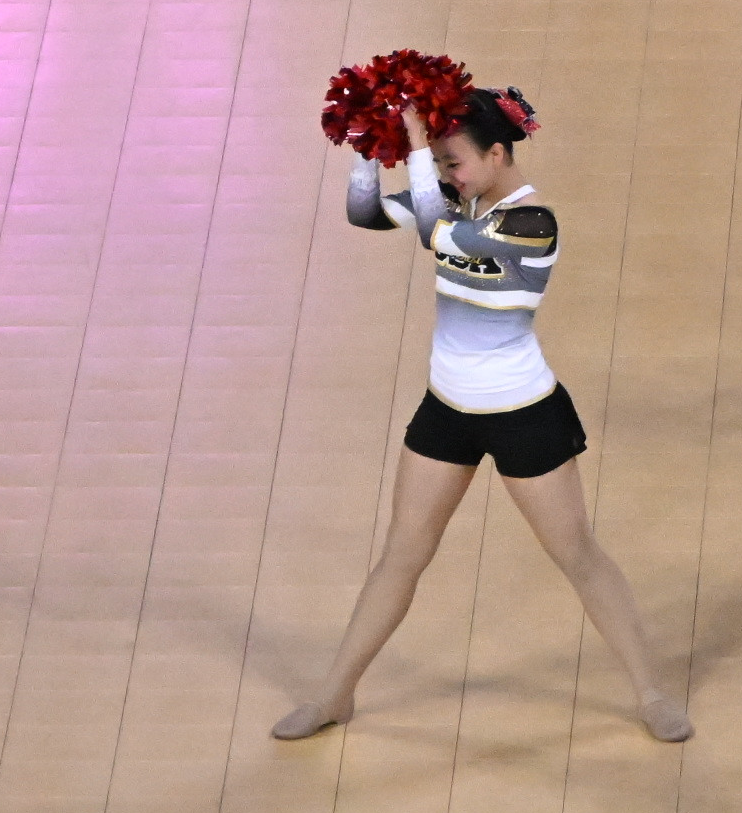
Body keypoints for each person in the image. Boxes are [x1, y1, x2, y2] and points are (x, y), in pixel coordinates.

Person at [274, 88, 691, 743]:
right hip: (447, 411)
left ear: (497, 154)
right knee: (402, 554)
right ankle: (334, 695)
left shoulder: (533, 224)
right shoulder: (452, 201)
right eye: (441, 163)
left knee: (577, 555)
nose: (448, 173)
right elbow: (364, 213)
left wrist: (416, 148)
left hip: (524, 414)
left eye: (455, 161)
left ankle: (652, 693)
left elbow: (436, 233)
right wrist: (367, 143)